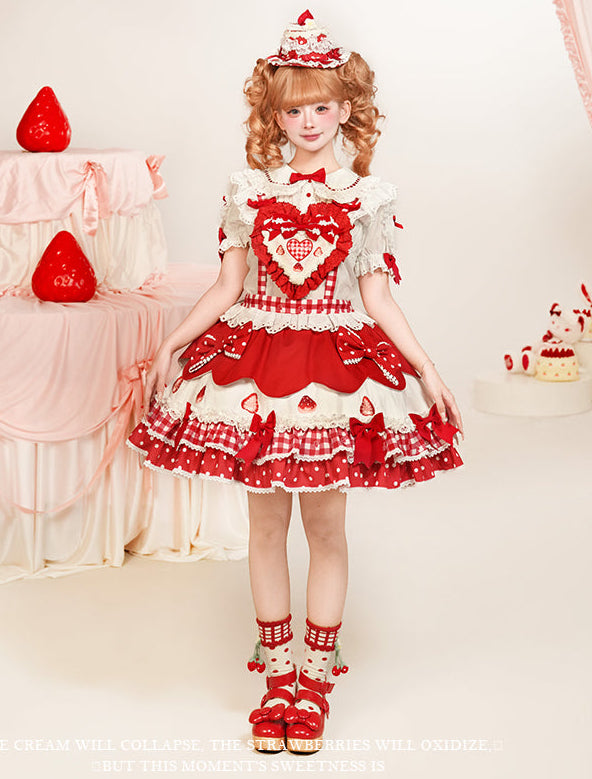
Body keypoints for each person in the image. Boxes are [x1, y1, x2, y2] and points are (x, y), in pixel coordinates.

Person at [128, 9, 463, 756]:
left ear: (346, 108)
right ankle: (277, 678)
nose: (308, 122)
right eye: (292, 109)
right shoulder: (247, 191)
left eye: (321, 106)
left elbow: (377, 297)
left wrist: (426, 366)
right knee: (265, 525)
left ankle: (316, 679)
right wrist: (174, 342)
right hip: (258, 359)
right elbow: (227, 285)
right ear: (273, 115)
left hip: (334, 372)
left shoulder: (366, 197)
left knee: (326, 525)